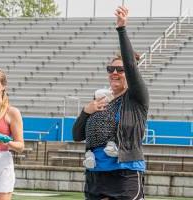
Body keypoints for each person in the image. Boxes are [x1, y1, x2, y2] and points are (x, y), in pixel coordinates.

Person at [72, 6, 149, 200]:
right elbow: (76, 136)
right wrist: (85, 111)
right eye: (110, 69)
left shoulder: (136, 97)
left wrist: (121, 29)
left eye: (120, 70)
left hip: (125, 173)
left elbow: (131, 66)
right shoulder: (100, 100)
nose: (114, 73)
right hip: (96, 174)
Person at [0, 68, 24, 200]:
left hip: (2, 163)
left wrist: (7, 142)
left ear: (3, 86)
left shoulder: (12, 112)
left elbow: (20, 146)